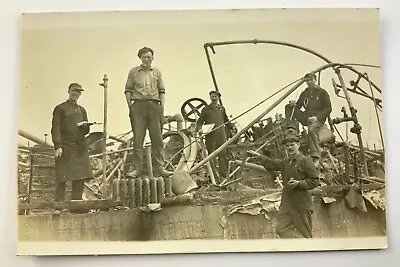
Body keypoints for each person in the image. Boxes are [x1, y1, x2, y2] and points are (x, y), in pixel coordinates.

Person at [247, 134, 319, 238]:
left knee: (305, 233)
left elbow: (315, 180)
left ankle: (305, 249)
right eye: (287, 146)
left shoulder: (305, 161)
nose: (289, 148)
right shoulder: (286, 162)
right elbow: (272, 164)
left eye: (292, 145)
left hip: (301, 204)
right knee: (280, 229)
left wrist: (299, 183)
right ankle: (298, 245)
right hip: (287, 203)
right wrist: (257, 156)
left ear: (298, 145)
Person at [124, 46, 171, 177]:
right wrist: (131, 107)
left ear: (152, 58)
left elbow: (162, 91)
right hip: (138, 107)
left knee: (157, 138)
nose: (147, 59)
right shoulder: (133, 72)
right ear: (140, 58)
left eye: (149, 57)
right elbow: (128, 90)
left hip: (154, 106)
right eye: (144, 57)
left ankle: (160, 168)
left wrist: (161, 108)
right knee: (138, 139)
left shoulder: (157, 72)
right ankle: (137, 168)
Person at [51, 82, 94, 207]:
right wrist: (58, 146)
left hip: (80, 148)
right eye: (74, 90)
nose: (76, 93)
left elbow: (85, 132)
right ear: (69, 91)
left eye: (79, 92)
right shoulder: (60, 108)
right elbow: (55, 128)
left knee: (80, 178)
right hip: (65, 147)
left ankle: (76, 208)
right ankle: (58, 207)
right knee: (62, 178)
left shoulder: (82, 110)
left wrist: (86, 127)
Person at [294, 72, 332, 166]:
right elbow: (298, 105)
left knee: (311, 129)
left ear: (315, 79)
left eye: (310, 80)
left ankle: (316, 153)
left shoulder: (322, 92)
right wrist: (293, 104)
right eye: (307, 81)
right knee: (291, 109)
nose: (309, 82)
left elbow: (328, 108)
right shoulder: (305, 93)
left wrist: (317, 117)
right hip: (308, 117)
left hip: (318, 117)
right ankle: (292, 130)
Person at [195, 90, 232, 183]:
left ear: (218, 98)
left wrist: (232, 127)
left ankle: (223, 176)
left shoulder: (222, 109)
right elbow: (200, 121)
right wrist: (199, 129)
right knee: (212, 155)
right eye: (212, 96)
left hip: (222, 134)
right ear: (210, 98)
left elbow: (226, 119)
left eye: (215, 96)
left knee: (223, 154)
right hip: (211, 135)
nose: (214, 98)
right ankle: (214, 176)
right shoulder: (206, 109)